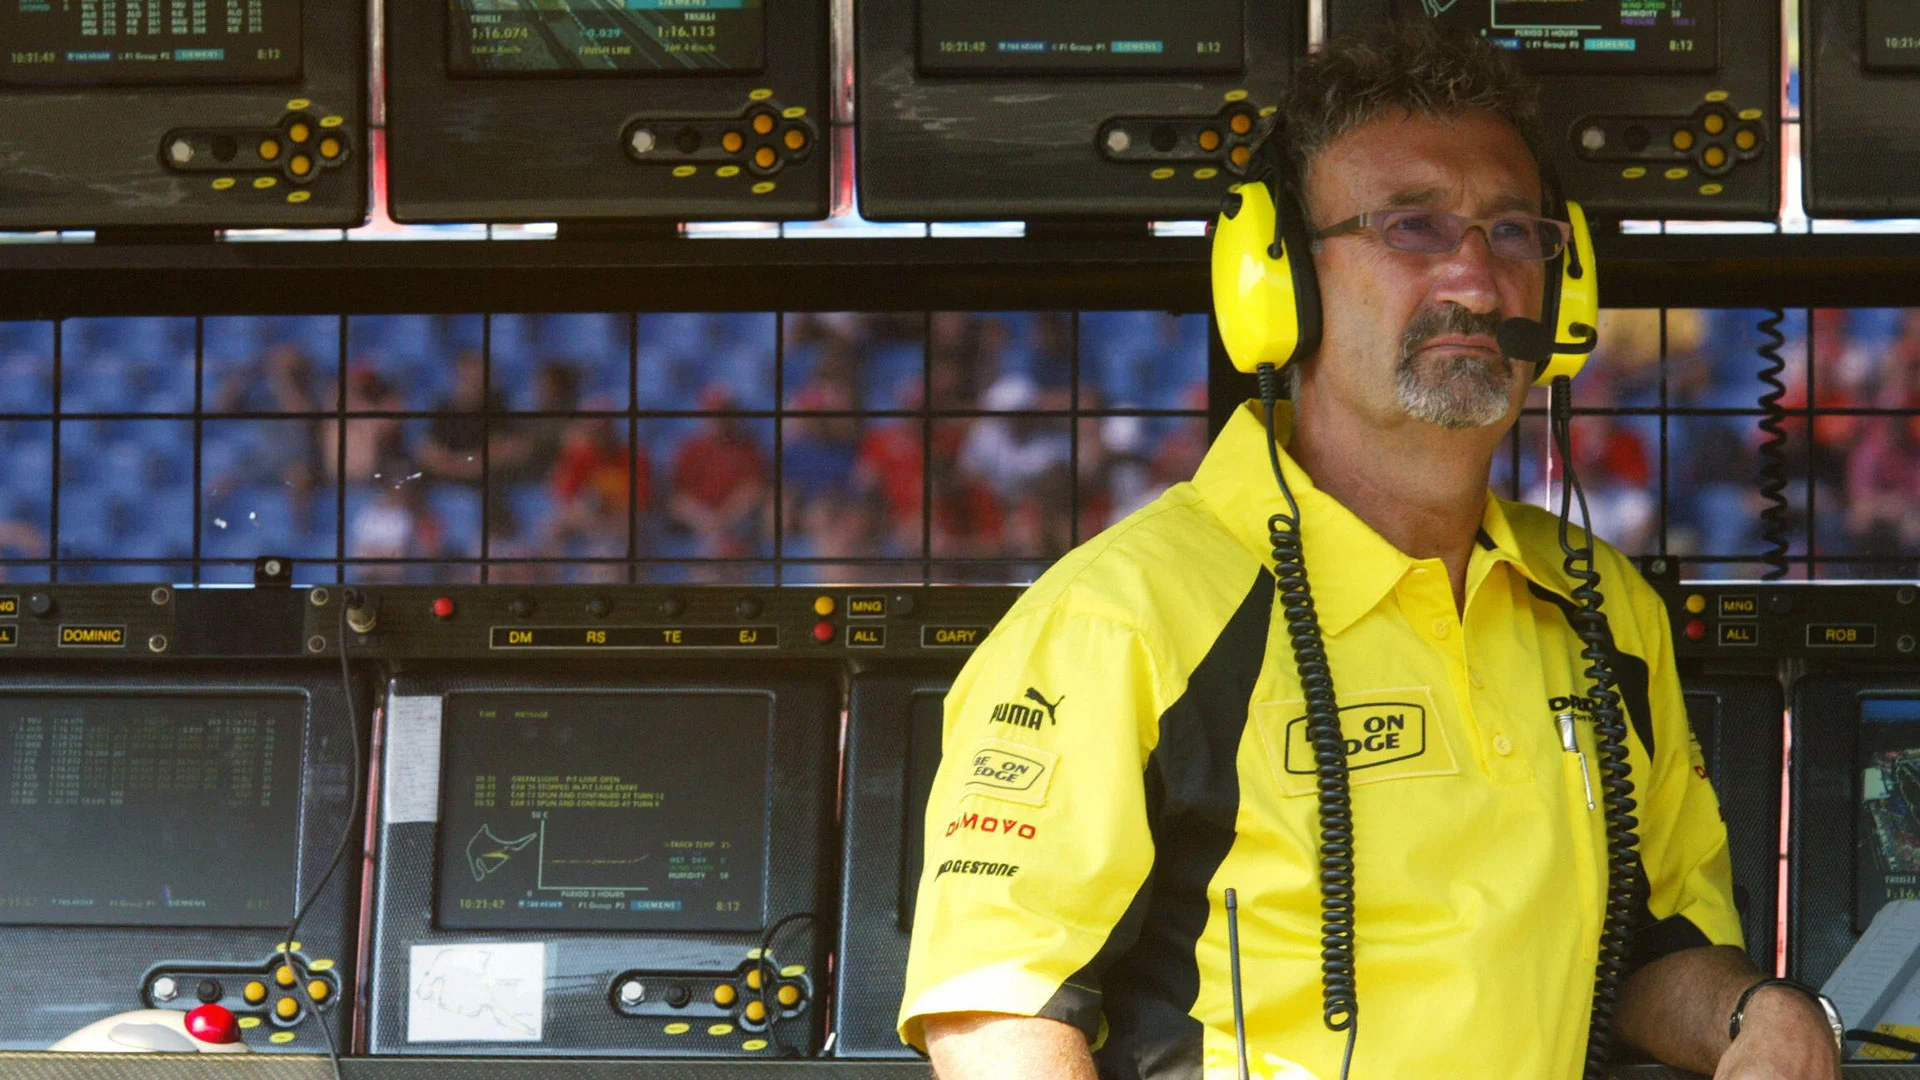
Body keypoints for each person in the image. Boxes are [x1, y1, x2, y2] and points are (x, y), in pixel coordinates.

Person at [899, 24, 1842, 1080]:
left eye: (1513, 231)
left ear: (1564, 290)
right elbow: (1000, 1017)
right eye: (1412, 226)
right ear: (1277, 279)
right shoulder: (1118, 620)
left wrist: (1756, 1013)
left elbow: (1650, 954)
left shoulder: (1605, 609)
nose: (1477, 281)